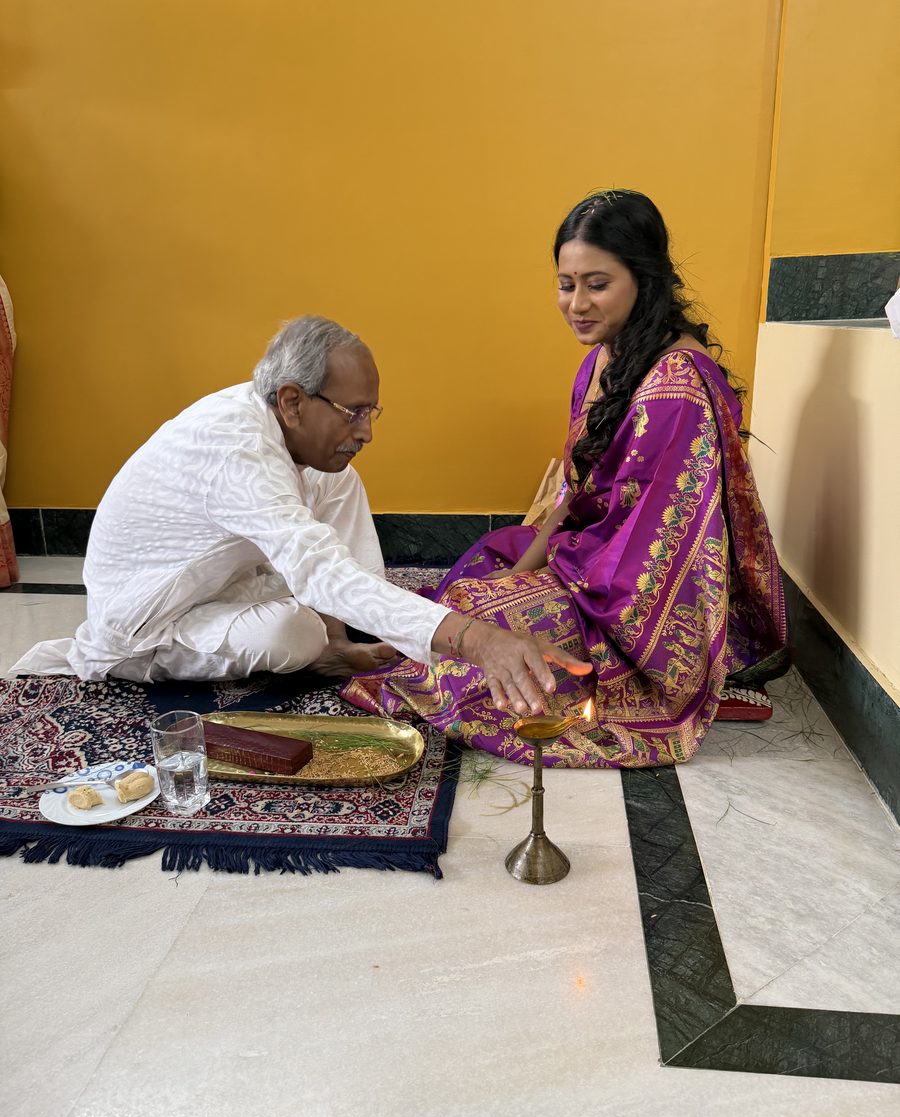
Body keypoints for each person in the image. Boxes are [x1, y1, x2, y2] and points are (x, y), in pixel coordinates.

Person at [342, 191, 789, 768]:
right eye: (565, 283)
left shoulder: (676, 388)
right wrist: (524, 570)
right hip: (592, 560)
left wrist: (539, 586)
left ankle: (683, 685)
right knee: (479, 574)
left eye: (596, 284)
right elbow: (575, 496)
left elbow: (658, 559)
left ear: (644, 280)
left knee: (482, 634)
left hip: (639, 607)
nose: (576, 303)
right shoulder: (601, 359)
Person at [11, 316, 591, 715]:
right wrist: (475, 640)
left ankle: (333, 638)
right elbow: (318, 570)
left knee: (337, 478)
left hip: (225, 578)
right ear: (292, 400)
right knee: (293, 633)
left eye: (373, 412)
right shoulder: (236, 452)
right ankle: (311, 642)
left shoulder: (269, 419)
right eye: (353, 412)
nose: (366, 431)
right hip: (147, 619)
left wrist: (338, 642)